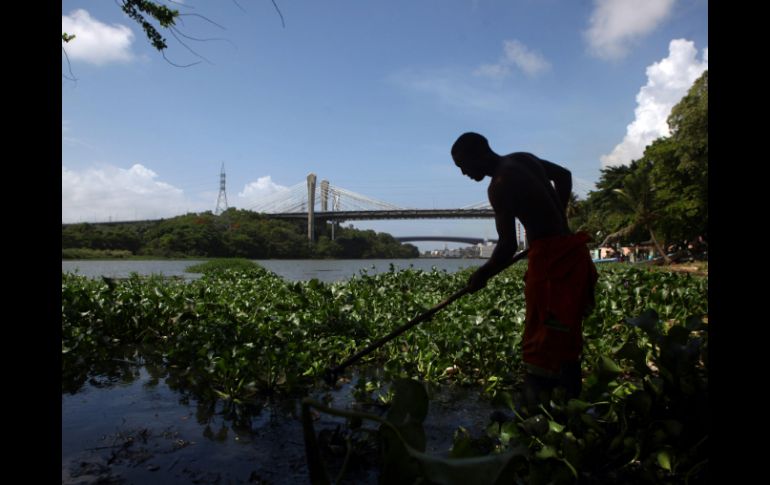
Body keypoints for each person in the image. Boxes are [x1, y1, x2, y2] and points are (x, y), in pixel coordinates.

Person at [451, 132, 598, 404]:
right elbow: (564, 175)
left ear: (478, 155)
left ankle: (536, 409)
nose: (463, 173)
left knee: (541, 339)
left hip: (551, 264)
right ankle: (570, 410)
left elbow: (507, 246)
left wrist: (481, 275)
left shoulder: (498, 185)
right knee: (565, 337)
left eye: (462, 165)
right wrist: (558, 218)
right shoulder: (523, 158)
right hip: (572, 252)